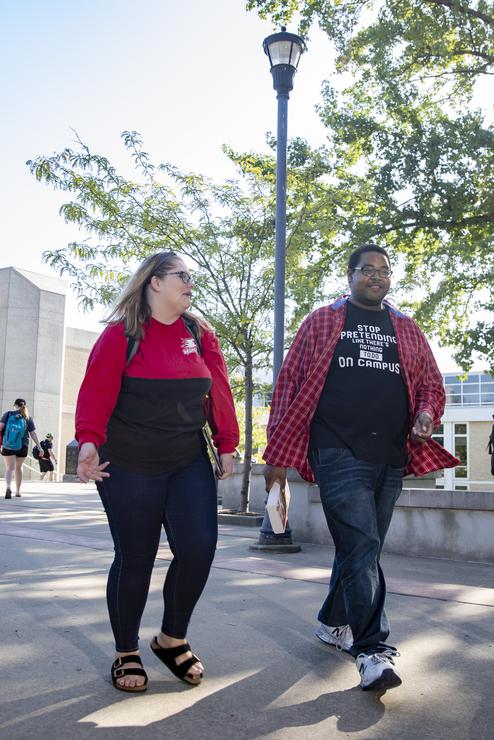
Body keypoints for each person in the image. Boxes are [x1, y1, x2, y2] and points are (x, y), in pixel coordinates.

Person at [263, 244, 458, 692]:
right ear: (349, 276)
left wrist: (427, 414)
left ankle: (332, 623)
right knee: (363, 543)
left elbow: (431, 384)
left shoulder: (406, 327)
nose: (377, 276)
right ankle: (371, 650)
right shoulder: (323, 320)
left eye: (384, 271)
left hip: (390, 452)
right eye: (367, 270)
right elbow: (290, 382)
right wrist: (276, 454)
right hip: (335, 448)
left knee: (359, 549)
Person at [75, 251, 239, 694]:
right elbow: (96, 391)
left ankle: (172, 638)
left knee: (199, 549)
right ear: (154, 282)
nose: (190, 283)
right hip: (128, 463)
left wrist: (227, 441)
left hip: (186, 459)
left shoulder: (199, 332)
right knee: (136, 557)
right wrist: (88, 441)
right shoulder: (121, 335)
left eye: (191, 276)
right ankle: (126, 649)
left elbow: (217, 387)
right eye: (182, 276)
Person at [1, 398, 41, 498]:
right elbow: (33, 433)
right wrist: (39, 447)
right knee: (18, 467)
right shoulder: (28, 417)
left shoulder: (8, 414)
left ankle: (8, 487)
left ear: (14, 405)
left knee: (10, 468)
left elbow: (0, 427)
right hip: (23, 446)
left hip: (8, 445)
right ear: (24, 406)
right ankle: (18, 491)